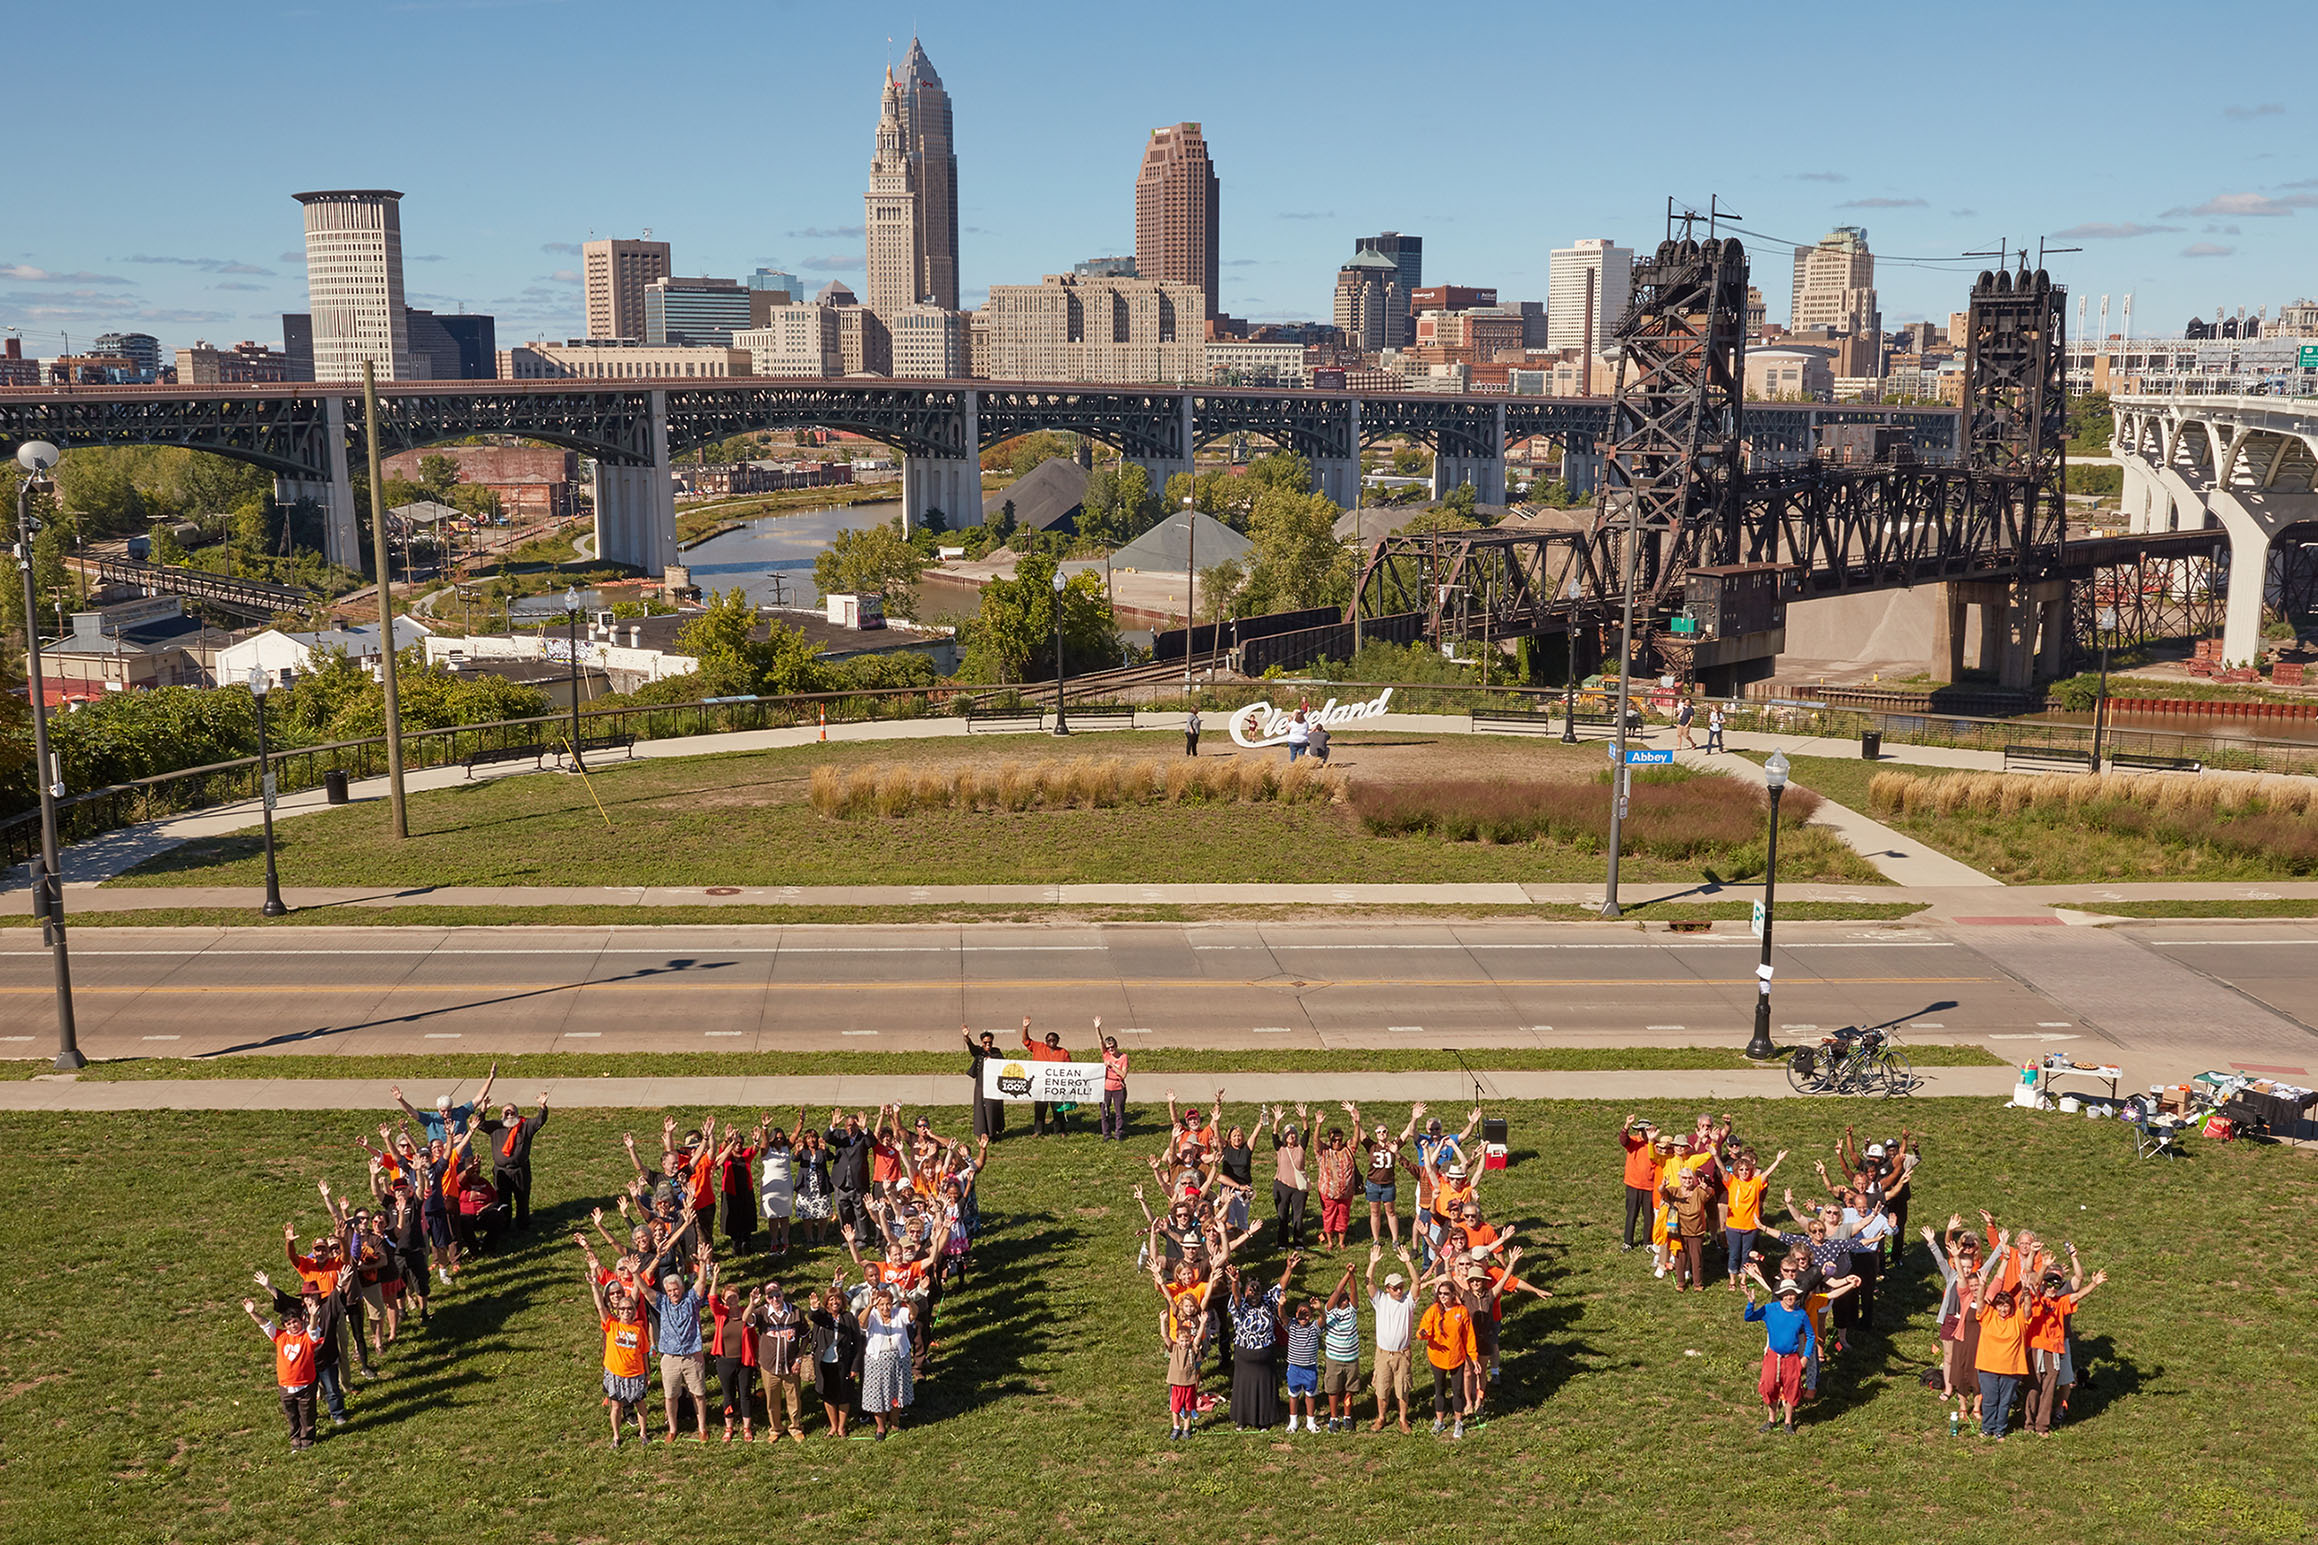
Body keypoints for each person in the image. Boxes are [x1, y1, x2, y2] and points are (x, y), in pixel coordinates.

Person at [581, 1242, 653, 1448]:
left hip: (636, 1372)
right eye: (622, 1309)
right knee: (616, 1407)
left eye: (629, 1309)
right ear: (618, 1311)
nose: (626, 1312)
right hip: (615, 1372)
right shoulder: (610, 1324)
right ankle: (616, 1437)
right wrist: (594, 1285)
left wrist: (647, 1374)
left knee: (640, 1405)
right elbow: (599, 1306)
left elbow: (645, 1352)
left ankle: (643, 1434)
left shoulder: (639, 1328)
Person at [2023, 1262, 2107, 1435]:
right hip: (2036, 1347)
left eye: (2057, 1285)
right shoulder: (2037, 1297)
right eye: (2049, 1283)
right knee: (2033, 1387)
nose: (2052, 1288)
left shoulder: (2061, 1302)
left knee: (2049, 1389)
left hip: (2054, 1349)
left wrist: (2094, 1284)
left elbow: (2077, 1296)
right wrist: (2044, 1266)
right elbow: (2035, 1286)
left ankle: (2042, 1426)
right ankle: (2028, 1424)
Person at [641, 1244, 711, 1441]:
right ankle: (672, 1429)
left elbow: (702, 1283)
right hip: (670, 1358)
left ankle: (702, 1427)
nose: (673, 1292)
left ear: (682, 1288)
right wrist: (634, 1274)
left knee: (698, 1393)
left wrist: (703, 1263)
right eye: (669, 1290)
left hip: (692, 1355)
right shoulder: (662, 1303)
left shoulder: (691, 1300)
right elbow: (646, 1291)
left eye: (676, 1289)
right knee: (670, 1396)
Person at [241, 1293, 322, 1451]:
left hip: (306, 1385)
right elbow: (265, 1324)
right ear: (285, 1326)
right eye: (289, 1323)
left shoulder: (307, 1337)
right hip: (285, 1386)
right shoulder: (280, 1337)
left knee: (307, 1415)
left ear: (301, 1321)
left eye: (295, 1322)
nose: (293, 1326)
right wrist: (252, 1312)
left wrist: (314, 1316)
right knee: (292, 1416)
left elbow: (313, 1329)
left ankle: (307, 1441)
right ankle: (295, 1441)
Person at [1971, 1232, 2033, 1440]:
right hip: (1988, 1366)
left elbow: (2027, 1310)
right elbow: (1980, 1304)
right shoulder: (1988, 1316)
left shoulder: (2017, 1319)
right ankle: (1987, 1428)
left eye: (2007, 1305)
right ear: (1996, 1306)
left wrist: (2025, 1290)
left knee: (2005, 1401)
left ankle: (2000, 1429)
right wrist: (1981, 1285)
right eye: (2001, 1305)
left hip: (2011, 1368)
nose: (2004, 1309)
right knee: (1989, 1398)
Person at [1224, 1257, 1289, 1431]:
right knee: (1243, 1388)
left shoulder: (1267, 1302)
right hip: (1245, 1356)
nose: (1254, 1296)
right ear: (1246, 1292)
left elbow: (1281, 1286)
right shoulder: (1241, 1305)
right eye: (1251, 1292)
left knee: (1265, 1388)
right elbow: (1236, 1297)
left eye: (1257, 1292)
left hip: (1265, 1355)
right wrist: (1235, 1282)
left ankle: (1264, 1420)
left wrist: (1289, 1268)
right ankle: (1242, 1419)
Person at [1744, 1277, 1813, 1434]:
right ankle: (1771, 1419)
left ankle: (1788, 1422)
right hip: (1773, 1358)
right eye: (1786, 1294)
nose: (1789, 1297)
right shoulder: (1770, 1309)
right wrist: (1751, 1303)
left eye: (1792, 1294)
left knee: (1792, 1390)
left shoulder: (1800, 1314)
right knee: (1769, 1387)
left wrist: (1805, 1357)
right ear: (1782, 1295)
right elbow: (1749, 1317)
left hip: (1792, 1359)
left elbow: (1811, 1336)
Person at [746, 1278, 810, 1444]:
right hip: (769, 1365)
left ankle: (795, 1427)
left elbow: (805, 1336)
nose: (775, 1299)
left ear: (782, 1294)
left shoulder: (795, 1312)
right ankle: (775, 1428)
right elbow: (746, 1320)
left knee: (794, 1398)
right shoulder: (761, 1313)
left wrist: (799, 1358)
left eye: (777, 1295)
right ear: (766, 1298)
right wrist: (752, 1304)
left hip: (790, 1364)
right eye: (770, 1296)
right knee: (772, 1400)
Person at [1715, 1147, 1786, 1290]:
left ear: (1751, 1170)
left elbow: (1767, 1173)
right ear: (1736, 1171)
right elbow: (1722, 1170)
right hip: (1733, 1225)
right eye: (1741, 1169)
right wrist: (1715, 1155)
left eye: (1746, 1169)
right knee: (1734, 1254)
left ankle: (1743, 1279)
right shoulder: (1732, 1182)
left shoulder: (1755, 1183)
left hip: (1751, 1226)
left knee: (1746, 1255)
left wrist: (1777, 1161)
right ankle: (1732, 1280)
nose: (1744, 1172)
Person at [476, 1092, 548, 1233]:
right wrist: (483, 1110)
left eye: (512, 1113)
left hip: (520, 1170)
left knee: (522, 1198)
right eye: (506, 1113)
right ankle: (504, 1225)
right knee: (503, 1200)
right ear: (502, 1115)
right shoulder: (496, 1127)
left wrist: (542, 1106)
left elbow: (540, 1121)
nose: (509, 1115)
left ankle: (523, 1225)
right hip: (501, 1172)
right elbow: (479, 1124)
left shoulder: (525, 1125)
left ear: (517, 1114)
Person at [1366, 1243, 1416, 1433]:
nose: (1398, 1290)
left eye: (1400, 1287)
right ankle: (1381, 1417)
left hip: (1402, 1354)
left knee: (1403, 1388)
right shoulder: (1380, 1300)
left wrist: (1408, 1263)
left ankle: (1403, 1419)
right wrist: (1372, 1263)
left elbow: (1417, 1284)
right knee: (1382, 1387)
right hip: (1383, 1354)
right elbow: (1369, 1284)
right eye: (1394, 1288)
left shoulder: (1408, 1302)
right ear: (1387, 1288)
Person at [1415, 1280, 1475, 1438]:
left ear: (1453, 1294)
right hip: (1437, 1357)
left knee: (1457, 1391)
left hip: (1456, 1356)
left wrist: (1473, 1357)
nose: (1442, 1296)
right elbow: (1424, 1328)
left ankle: (1458, 1422)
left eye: (1446, 1293)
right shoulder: (1433, 1310)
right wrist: (1423, 1334)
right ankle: (1440, 1421)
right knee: (1439, 1389)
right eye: (1440, 1293)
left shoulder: (1461, 1311)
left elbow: (1469, 1336)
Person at [705, 1265, 758, 1442]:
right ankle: (729, 1427)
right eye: (728, 1298)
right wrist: (715, 1278)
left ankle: (746, 1428)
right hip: (724, 1361)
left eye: (734, 1296)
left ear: (739, 1297)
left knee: (745, 1394)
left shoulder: (746, 1312)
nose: (732, 1300)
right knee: (728, 1394)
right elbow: (711, 1299)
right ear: (724, 1300)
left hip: (744, 1361)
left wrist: (751, 1303)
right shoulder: (721, 1314)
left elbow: (748, 1320)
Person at [807, 1274, 861, 1437]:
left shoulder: (848, 1317)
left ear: (842, 1301)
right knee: (828, 1395)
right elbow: (813, 1316)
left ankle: (841, 1427)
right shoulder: (823, 1316)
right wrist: (814, 1308)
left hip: (843, 1362)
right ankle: (833, 1425)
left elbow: (858, 1342)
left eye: (837, 1299)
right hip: (824, 1362)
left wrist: (855, 1366)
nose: (834, 1302)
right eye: (831, 1300)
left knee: (844, 1395)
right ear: (826, 1302)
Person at [858, 1283, 914, 1438]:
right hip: (877, 1361)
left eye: (888, 1304)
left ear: (892, 1303)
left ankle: (895, 1423)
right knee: (879, 1394)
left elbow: (912, 1315)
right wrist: (870, 1306)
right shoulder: (873, 1315)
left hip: (899, 1358)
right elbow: (861, 1322)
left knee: (898, 1392)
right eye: (881, 1305)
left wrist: (908, 1301)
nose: (885, 1308)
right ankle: (880, 1427)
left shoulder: (899, 1313)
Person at [1319, 1262, 1363, 1432]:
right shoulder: (1330, 1311)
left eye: (1346, 1298)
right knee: (1333, 1390)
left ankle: (1347, 1416)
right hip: (1334, 1359)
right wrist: (1346, 1275)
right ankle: (1333, 1417)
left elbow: (1353, 1291)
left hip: (1351, 1358)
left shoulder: (1352, 1310)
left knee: (1349, 1389)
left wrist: (1352, 1274)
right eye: (1341, 1298)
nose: (1345, 1300)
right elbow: (1338, 1290)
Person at [1267, 1104, 1311, 1249]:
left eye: (1293, 1133)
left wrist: (1304, 1118)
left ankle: (1298, 1242)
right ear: (1284, 1137)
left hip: (1299, 1188)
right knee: (1282, 1216)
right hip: (1282, 1185)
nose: (1291, 1135)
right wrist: (1277, 1121)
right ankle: (1282, 1243)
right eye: (1288, 1134)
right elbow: (1274, 1135)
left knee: (1298, 1216)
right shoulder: (1281, 1148)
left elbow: (1306, 1132)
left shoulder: (1301, 1148)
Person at [1020, 1016, 1072, 1135]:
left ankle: (1059, 1130)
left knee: (1058, 1109)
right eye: (1049, 1040)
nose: (1051, 1042)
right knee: (1039, 1109)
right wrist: (1025, 1028)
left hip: (1056, 1086)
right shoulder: (1038, 1047)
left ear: (1058, 1040)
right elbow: (1026, 1041)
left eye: (1054, 1040)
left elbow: (1070, 1069)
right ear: (1046, 1041)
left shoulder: (1063, 1053)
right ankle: (1038, 1131)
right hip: (1041, 1085)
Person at [1313, 1123, 1358, 1251]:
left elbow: (1356, 1139)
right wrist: (1318, 1125)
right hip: (1328, 1192)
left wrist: (1356, 1123)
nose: (1337, 1142)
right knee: (1329, 1216)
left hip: (1346, 1192)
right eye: (1334, 1140)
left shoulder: (1348, 1150)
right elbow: (1315, 1141)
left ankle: (1341, 1242)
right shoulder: (1324, 1152)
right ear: (1330, 1140)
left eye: (1339, 1140)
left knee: (1343, 1216)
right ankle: (1330, 1242)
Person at [1618, 1116, 1660, 1253]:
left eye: (1645, 1130)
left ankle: (1648, 1242)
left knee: (1649, 1216)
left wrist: (1652, 1141)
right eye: (1640, 1130)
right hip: (1633, 1184)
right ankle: (1627, 1242)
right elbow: (1623, 1141)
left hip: (1650, 1186)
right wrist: (1627, 1125)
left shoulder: (1655, 1145)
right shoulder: (1634, 1142)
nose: (1642, 1133)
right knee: (1631, 1214)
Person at [1165, 1311, 1205, 1439]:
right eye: (1182, 1340)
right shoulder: (1174, 1348)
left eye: (1186, 1340)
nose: (1184, 1343)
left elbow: (1198, 1338)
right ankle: (1176, 1428)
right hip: (1176, 1383)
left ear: (1190, 1339)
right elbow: (1165, 1336)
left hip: (1189, 1383)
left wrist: (1203, 1323)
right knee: (1175, 1408)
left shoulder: (1192, 1349)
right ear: (1177, 1340)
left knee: (1188, 1407)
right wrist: (1162, 1321)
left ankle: (1186, 1429)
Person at [962, 1026, 1007, 1140]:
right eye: (985, 1042)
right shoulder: (979, 1052)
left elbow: (1003, 1065)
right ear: (982, 1042)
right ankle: (982, 1133)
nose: (988, 1045)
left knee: (993, 1107)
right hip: (981, 1084)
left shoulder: (996, 1052)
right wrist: (966, 1037)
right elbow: (971, 1047)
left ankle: (993, 1132)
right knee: (980, 1108)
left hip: (993, 1086)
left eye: (990, 1042)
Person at [1098, 1024, 1131, 1142]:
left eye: (1112, 1047)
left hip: (1118, 1088)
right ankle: (1106, 1134)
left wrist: (1112, 1065)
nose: (1110, 1050)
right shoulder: (1106, 1055)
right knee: (1104, 1112)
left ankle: (1119, 1133)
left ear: (1116, 1046)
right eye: (1108, 1048)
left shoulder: (1123, 1057)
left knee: (1119, 1112)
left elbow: (1123, 1074)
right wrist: (1097, 1028)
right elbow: (1100, 1041)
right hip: (1106, 1087)